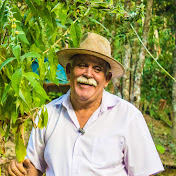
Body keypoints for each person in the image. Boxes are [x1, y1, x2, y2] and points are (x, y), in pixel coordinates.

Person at [8, 32, 164, 176]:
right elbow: (33, 167)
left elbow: (146, 172)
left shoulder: (128, 117)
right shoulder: (47, 114)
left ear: (107, 79)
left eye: (97, 69)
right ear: (69, 71)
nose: (88, 74)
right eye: (82, 65)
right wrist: (18, 169)